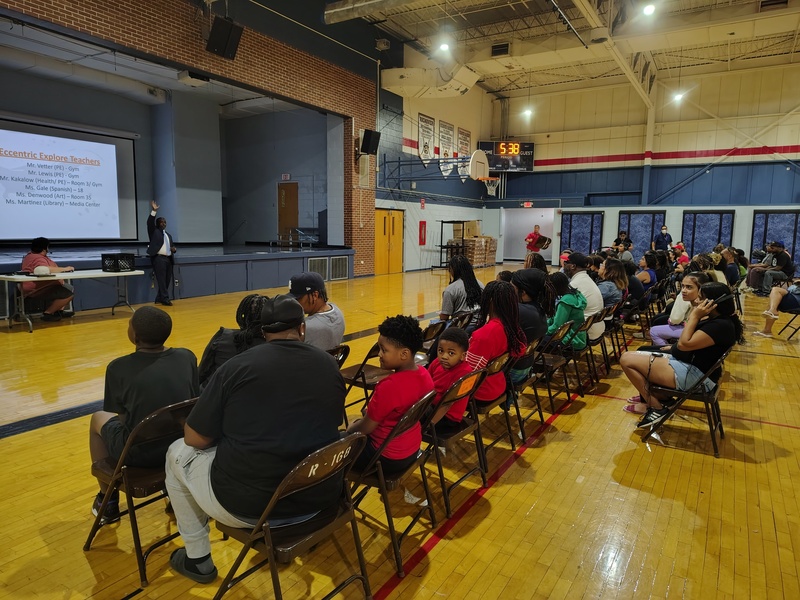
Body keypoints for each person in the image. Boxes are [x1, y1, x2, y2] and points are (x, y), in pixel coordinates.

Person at [166, 294, 344, 584]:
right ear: (302, 328)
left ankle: (197, 559)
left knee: (175, 453)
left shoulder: (236, 367)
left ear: (263, 332)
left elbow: (194, 439)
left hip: (252, 509)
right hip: (321, 498)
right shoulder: (328, 364)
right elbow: (331, 423)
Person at [88, 306, 198, 524]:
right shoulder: (187, 357)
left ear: (135, 335)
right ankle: (174, 493)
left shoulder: (118, 368)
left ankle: (107, 501)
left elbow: (123, 420)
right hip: (182, 444)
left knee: (97, 418)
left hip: (140, 454)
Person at [620, 282, 743, 428]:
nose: (696, 300)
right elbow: (687, 344)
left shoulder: (721, 326)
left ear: (712, 303)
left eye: (700, 298)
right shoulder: (719, 321)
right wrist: (673, 347)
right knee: (641, 353)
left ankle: (656, 407)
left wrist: (694, 316)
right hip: (694, 369)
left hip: (697, 378)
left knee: (626, 359)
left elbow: (683, 344)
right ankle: (663, 399)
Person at [346, 315, 434, 474]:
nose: (379, 354)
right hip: (412, 448)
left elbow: (365, 428)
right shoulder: (425, 375)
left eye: (384, 350)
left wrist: (350, 430)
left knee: (333, 448)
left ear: (404, 354)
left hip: (385, 457)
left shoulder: (389, 386)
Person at [467, 281, 527, 402]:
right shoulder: (511, 327)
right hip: (498, 384)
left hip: (480, 391)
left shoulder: (484, 335)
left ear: (489, 301)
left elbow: (469, 373)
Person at [197, 294, 268, 387]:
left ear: (242, 315)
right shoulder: (272, 345)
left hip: (215, 391)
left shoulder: (223, 336)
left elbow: (202, 372)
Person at [509, 268, 555, 382]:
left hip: (512, 371)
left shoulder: (518, 311)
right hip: (526, 366)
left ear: (523, 292)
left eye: (511, 287)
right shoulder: (539, 308)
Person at [427, 327, 474, 435]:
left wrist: (429, 425)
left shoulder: (464, 373)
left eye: (451, 353)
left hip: (447, 417)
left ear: (462, 356)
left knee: (406, 422)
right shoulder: (437, 362)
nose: (444, 356)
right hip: (432, 405)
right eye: (441, 351)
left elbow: (447, 405)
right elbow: (425, 383)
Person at [19, 237, 76, 321]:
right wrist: (65, 269)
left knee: (68, 287)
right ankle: (48, 313)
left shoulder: (31, 256)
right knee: (67, 293)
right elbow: (43, 269)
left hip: (41, 286)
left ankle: (58, 311)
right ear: (45, 248)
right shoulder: (37, 258)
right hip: (36, 289)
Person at [288, 271, 345, 350]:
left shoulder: (305, 327)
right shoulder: (337, 311)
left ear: (315, 295)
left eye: (298, 298)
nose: (295, 302)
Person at [563, 252, 605, 341]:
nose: (564, 266)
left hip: (585, 331)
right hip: (595, 326)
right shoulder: (586, 279)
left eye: (566, 263)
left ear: (573, 266)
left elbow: (565, 313)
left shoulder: (575, 284)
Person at [546, 272, 588, 350]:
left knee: (537, 341)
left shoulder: (565, 302)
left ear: (556, 288)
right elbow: (555, 318)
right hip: (579, 338)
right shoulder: (575, 294)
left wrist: (543, 332)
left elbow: (557, 326)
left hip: (570, 340)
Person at [439, 254, 484, 326]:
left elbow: (444, 317)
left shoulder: (450, 290)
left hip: (461, 327)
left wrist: (441, 314)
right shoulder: (480, 284)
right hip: (479, 324)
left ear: (452, 269)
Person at [146, 200, 176, 306]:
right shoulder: (154, 232)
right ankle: (165, 299)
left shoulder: (168, 235)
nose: (164, 224)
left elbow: (171, 246)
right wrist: (154, 211)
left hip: (168, 259)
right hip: (159, 259)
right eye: (162, 222)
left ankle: (159, 297)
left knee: (167, 280)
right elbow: (149, 223)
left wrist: (174, 249)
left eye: (165, 222)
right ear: (158, 223)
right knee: (161, 280)